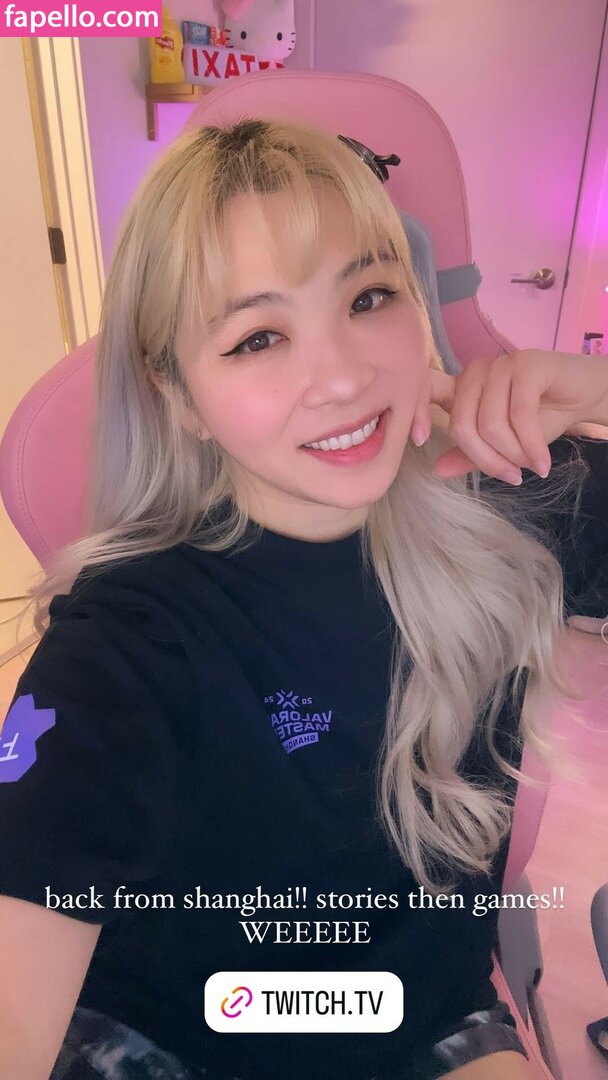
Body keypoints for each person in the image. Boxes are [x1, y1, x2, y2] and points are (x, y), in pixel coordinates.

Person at [0, 117, 607, 1080]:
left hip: (428, 1019)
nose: (343, 377)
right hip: (173, 1044)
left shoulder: (516, 503)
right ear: (180, 395)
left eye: (370, 297)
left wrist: (600, 389)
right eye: (258, 338)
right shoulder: (130, 634)